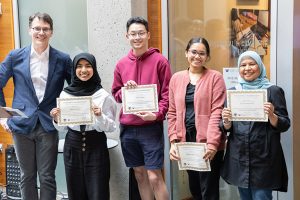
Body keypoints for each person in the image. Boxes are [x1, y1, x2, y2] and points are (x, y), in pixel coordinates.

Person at [0, 12, 72, 200]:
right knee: (27, 176)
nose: (41, 32)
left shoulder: (63, 59)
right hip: (21, 125)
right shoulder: (15, 56)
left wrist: (70, 112)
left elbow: (75, 87)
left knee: (47, 176)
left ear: (51, 32)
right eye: (37, 28)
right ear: (29, 30)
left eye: (45, 29)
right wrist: (3, 117)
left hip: (48, 124)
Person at [111, 16, 171, 200]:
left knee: (154, 176)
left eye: (141, 33)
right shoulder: (121, 64)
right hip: (128, 128)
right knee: (139, 174)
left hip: (150, 128)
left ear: (148, 35)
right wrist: (125, 91)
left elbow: (167, 94)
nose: (137, 37)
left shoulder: (160, 61)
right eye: (133, 34)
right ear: (127, 36)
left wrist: (157, 115)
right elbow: (115, 93)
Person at [221, 51, 290, 200]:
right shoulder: (233, 92)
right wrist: (226, 120)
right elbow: (227, 127)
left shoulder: (273, 91)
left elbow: (285, 124)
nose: (247, 68)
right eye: (243, 65)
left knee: (261, 197)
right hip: (239, 155)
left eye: (252, 64)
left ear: (260, 66)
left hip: (264, 157)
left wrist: (272, 115)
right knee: (245, 197)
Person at [50, 53, 117, 200]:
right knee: (75, 192)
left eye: (88, 66)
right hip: (72, 146)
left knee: (98, 192)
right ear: (74, 69)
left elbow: (112, 127)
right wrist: (56, 119)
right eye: (79, 66)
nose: (84, 70)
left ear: (94, 69)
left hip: (96, 146)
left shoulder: (103, 95)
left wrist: (100, 116)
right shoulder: (65, 94)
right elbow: (62, 128)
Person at [168, 37, 226, 200]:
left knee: (209, 189)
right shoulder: (176, 78)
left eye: (202, 53)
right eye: (194, 52)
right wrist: (173, 141)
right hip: (186, 140)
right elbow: (172, 112)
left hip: (208, 141)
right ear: (186, 53)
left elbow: (217, 111)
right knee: (194, 187)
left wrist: (213, 144)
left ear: (207, 57)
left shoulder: (215, 77)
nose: (197, 56)